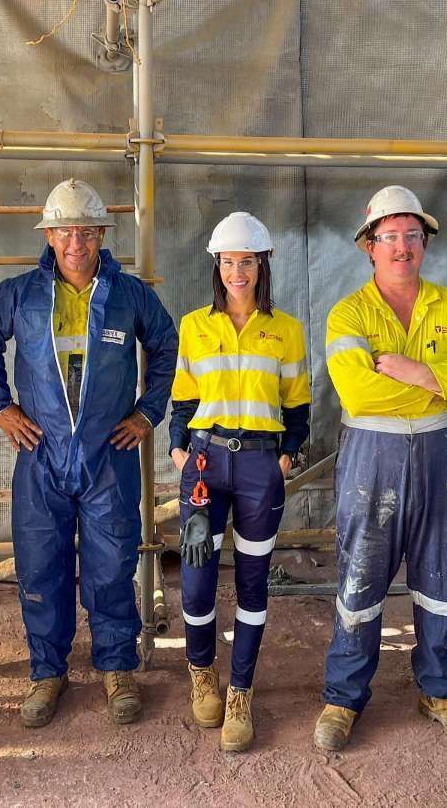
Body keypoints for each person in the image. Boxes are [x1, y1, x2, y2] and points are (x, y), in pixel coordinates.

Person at [0, 178, 177, 730]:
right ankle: (47, 672)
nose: (75, 243)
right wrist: (2, 408)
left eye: (86, 231)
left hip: (108, 455)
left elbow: (165, 343)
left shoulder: (130, 295)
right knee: (42, 567)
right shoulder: (19, 295)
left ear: (103, 234)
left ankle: (116, 667)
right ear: (49, 236)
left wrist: (148, 411)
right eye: (64, 231)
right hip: (41, 455)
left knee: (111, 564)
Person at [313, 185, 447, 753]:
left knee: (443, 580)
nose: (402, 248)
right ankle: (343, 697)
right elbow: (358, 392)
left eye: (412, 237)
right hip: (374, 459)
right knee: (359, 580)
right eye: (390, 237)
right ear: (369, 246)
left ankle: (441, 691)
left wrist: (417, 373)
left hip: (443, 459)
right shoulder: (349, 313)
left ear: (425, 245)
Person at [169, 212, 310, 753]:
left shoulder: (287, 330)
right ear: (217, 266)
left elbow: (298, 404)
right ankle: (202, 670)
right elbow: (182, 398)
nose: (237, 271)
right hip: (203, 465)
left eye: (246, 261)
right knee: (199, 580)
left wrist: (286, 458)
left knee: (253, 583)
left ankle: (241, 690)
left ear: (261, 265)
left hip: (259, 467)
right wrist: (181, 450)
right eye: (228, 262)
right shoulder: (193, 326)